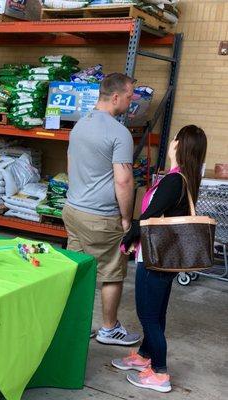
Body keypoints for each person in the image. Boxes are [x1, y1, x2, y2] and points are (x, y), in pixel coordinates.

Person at [112, 125, 207, 393]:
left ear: (178, 145)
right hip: (162, 259)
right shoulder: (181, 178)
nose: (171, 142)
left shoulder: (175, 181)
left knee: (148, 316)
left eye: (175, 138)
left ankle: (161, 373)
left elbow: (147, 219)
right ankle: (145, 356)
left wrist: (127, 238)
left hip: (155, 260)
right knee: (156, 313)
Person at [62, 72, 140, 345]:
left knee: (79, 269)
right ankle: (109, 329)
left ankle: (77, 324)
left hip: (73, 210)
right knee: (112, 272)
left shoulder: (80, 125)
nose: (132, 102)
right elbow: (124, 180)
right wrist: (127, 220)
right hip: (102, 217)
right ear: (116, 97)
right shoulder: (119, 133)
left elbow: (71, 165)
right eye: (130, 96)